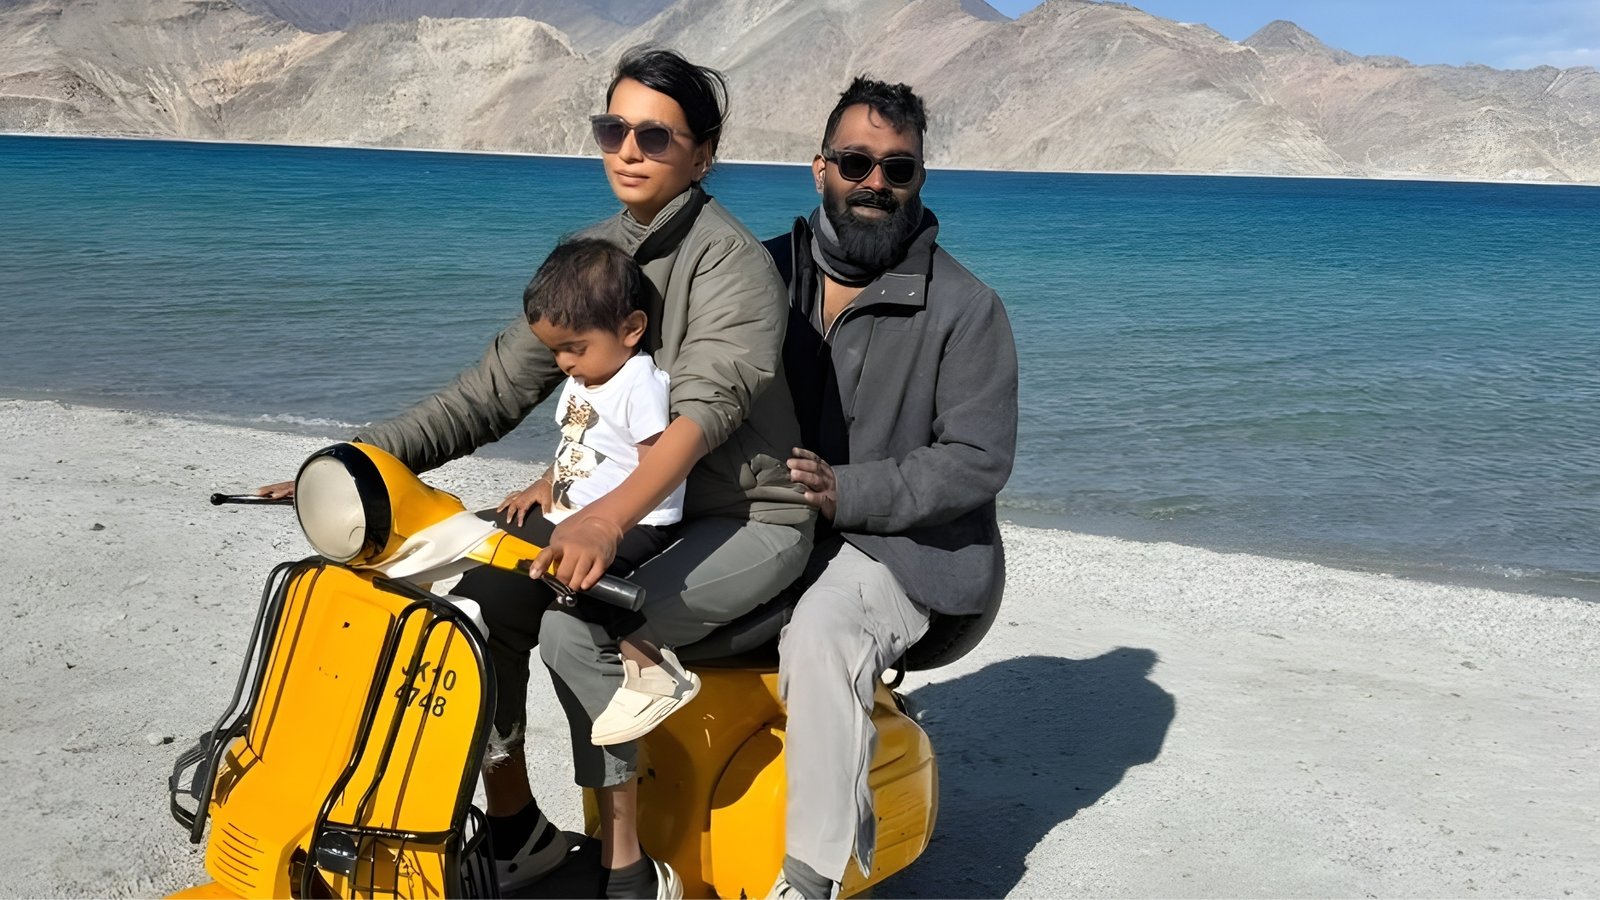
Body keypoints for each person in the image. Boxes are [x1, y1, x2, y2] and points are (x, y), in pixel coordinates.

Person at [260, 46, 813, 900]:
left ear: (701, 155)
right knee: (466, 608)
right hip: (613, 512)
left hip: (740, 518)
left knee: (574, 628)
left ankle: (630, 865)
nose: (628, 149)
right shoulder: (591, 257)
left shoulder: (730, 265)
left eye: (655, 136)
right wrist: (355, 462)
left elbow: (705, 418)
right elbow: (490, 392)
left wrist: (601, 521)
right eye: (613, 128)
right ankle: (516, 826)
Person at [763, 78, 1018, 899]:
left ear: (918, 181)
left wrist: (848, 492)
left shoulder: (968, 308)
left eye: (897, 168)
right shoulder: (760, 275)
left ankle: (811, 878)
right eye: (856, 161)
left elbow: (977, 457)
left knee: (822, 636)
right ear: (819, 169)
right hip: (773, 523)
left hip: (906, 548)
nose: (875, 181)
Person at [495, 236, 699, 749]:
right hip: (574, 511)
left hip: (638, 522)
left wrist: (611, 521)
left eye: (574, 347)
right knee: (503, 553)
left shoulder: (638, 382)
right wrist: (543, 485)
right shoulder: (586, 377)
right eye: (555, 350)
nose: (563, 361)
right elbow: (576, 445)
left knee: (577, 580)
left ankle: (654, 667)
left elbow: (657, 464)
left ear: (631, 329)